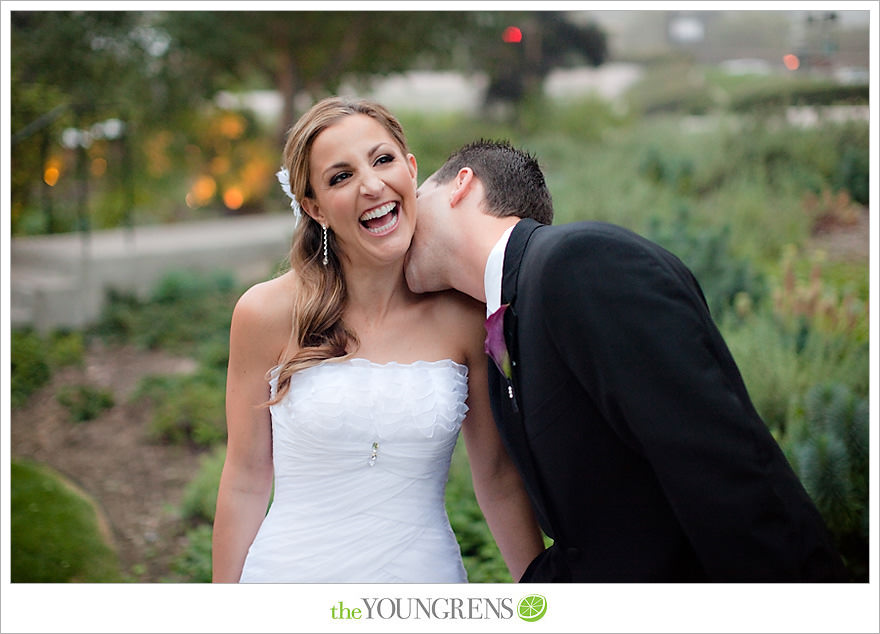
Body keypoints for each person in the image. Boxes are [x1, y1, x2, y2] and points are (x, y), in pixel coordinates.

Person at [404, 139, 851, 582]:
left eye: (416, 196)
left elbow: (721, 464)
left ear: (461, 185)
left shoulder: (578, 260)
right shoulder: (510, 319)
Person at [212, 100, 544, 583]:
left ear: (411, 170)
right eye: (340, 177)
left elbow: (498, 479)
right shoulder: (265, 313)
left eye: (382, 160)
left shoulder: (465, 316)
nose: (371, 185)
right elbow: (244, 480)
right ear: (314, 207)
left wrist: (541, 599)